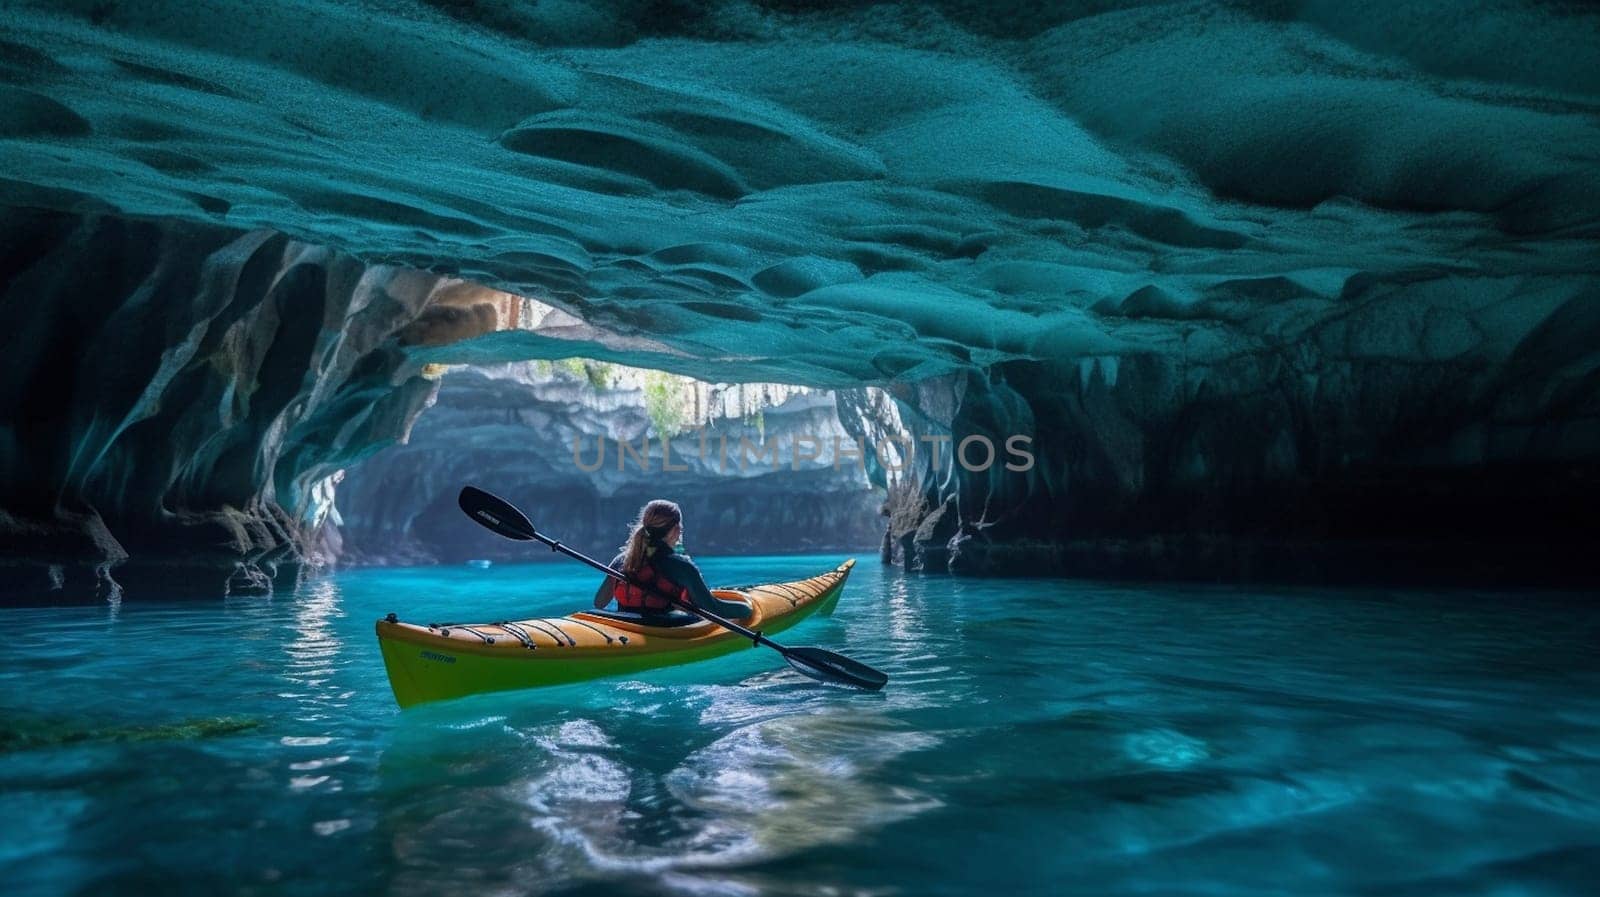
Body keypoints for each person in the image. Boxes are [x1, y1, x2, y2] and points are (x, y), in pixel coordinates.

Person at [592, 499, 751, 619]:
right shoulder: (681, 567)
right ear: (676, 530)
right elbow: (714, 610)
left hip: (626, 627)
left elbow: (599, 603)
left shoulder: (621, 560)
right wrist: (748, 608)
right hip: (664, 632)